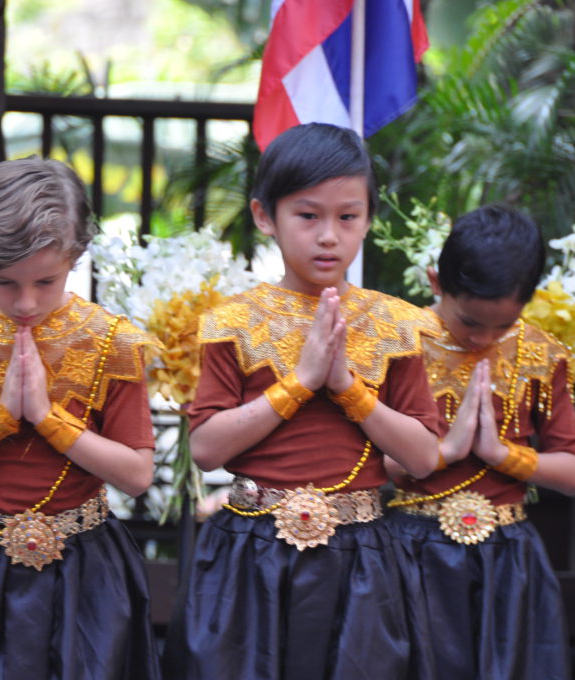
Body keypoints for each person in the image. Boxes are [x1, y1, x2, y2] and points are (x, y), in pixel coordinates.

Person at [162, 122, 442, 679]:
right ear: (265, 216)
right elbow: (208, 449)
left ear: (368, 218)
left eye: (348, 216)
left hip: (360, 555)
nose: (329, 236)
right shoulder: (231, 324)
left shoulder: (397, 326)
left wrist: (346, 388)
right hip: (251, 549)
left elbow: (423, 456)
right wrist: (299, 382)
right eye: (307, 215)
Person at [0, 157, 162, 679]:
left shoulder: (112, 344)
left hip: (86, 570)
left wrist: (44, 416)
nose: (25, 302)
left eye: (45, 281)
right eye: (3, 282)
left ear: (76, 255)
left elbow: (135, 474)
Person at [385, 205, 575, 678]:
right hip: (413, 548)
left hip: (508, 554)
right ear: (436, 282)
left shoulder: (542, 355)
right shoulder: (396, 343)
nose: (486, 339)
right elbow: (360, 462)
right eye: (471, 323)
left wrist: (502, 454)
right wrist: (443, 453)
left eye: (503, 325)